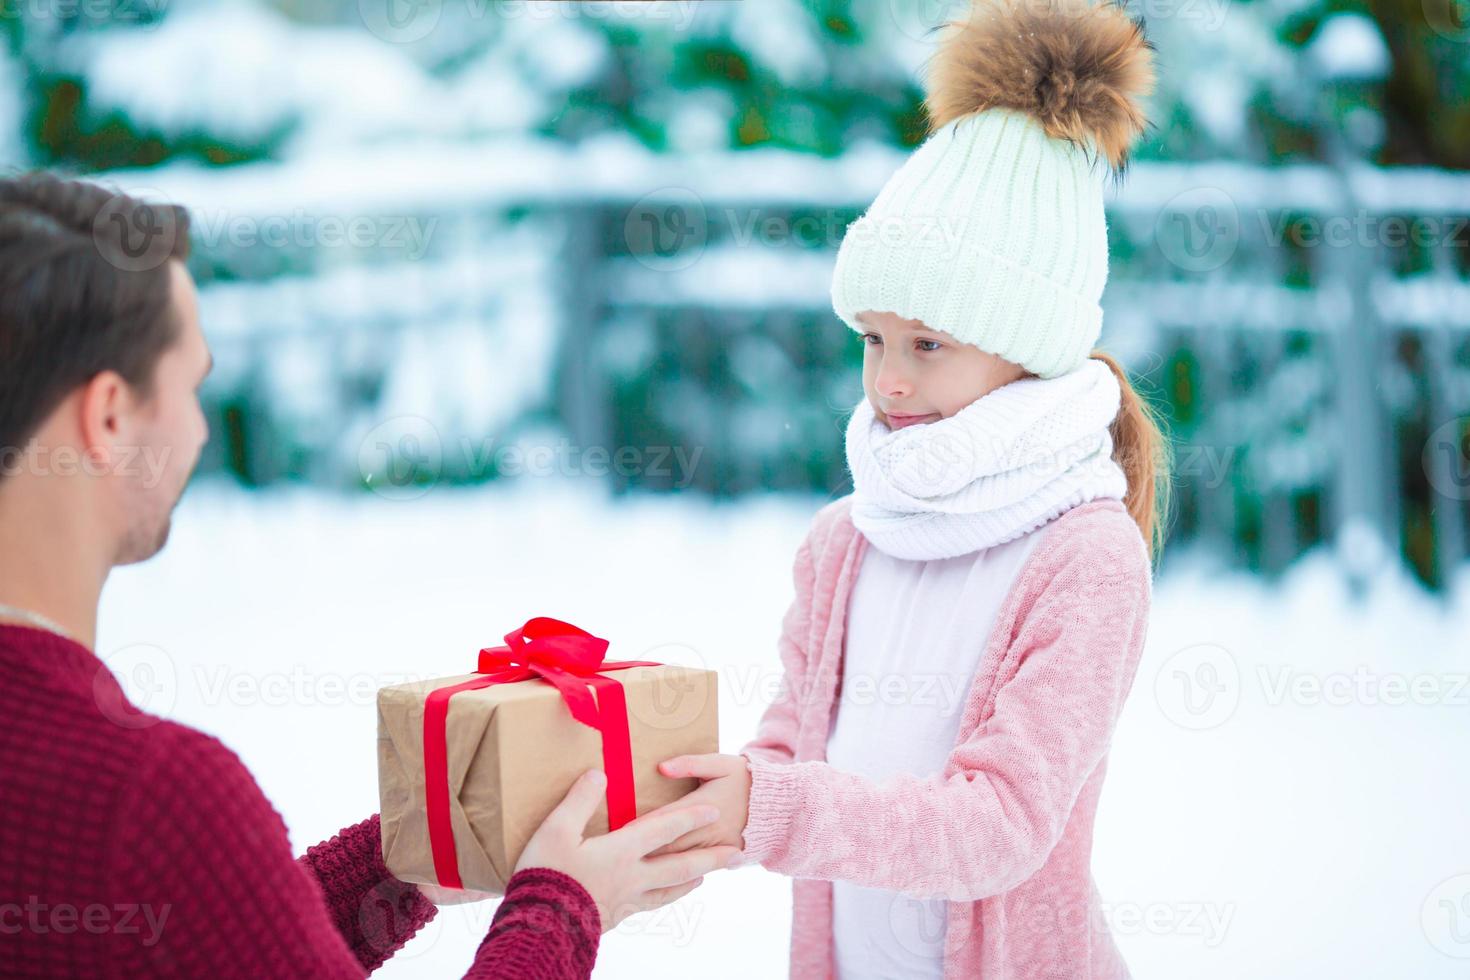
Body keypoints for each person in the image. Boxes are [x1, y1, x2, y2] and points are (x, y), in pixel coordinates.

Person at [0, 173, 740, 978]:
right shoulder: (151, 798)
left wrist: (406, 861)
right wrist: (562, 909)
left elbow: (219, 948)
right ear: (110, 416)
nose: (201, 428)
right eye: (192, 384)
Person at [649, 0, 1171, 976]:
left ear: (1025, 346)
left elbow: (999, 824)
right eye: (874, 339)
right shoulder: (848, 539)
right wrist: (703, 799)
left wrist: (773, 807)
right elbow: (793, 747)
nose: (890, 380)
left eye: (929, 344)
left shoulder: (1085, 557)